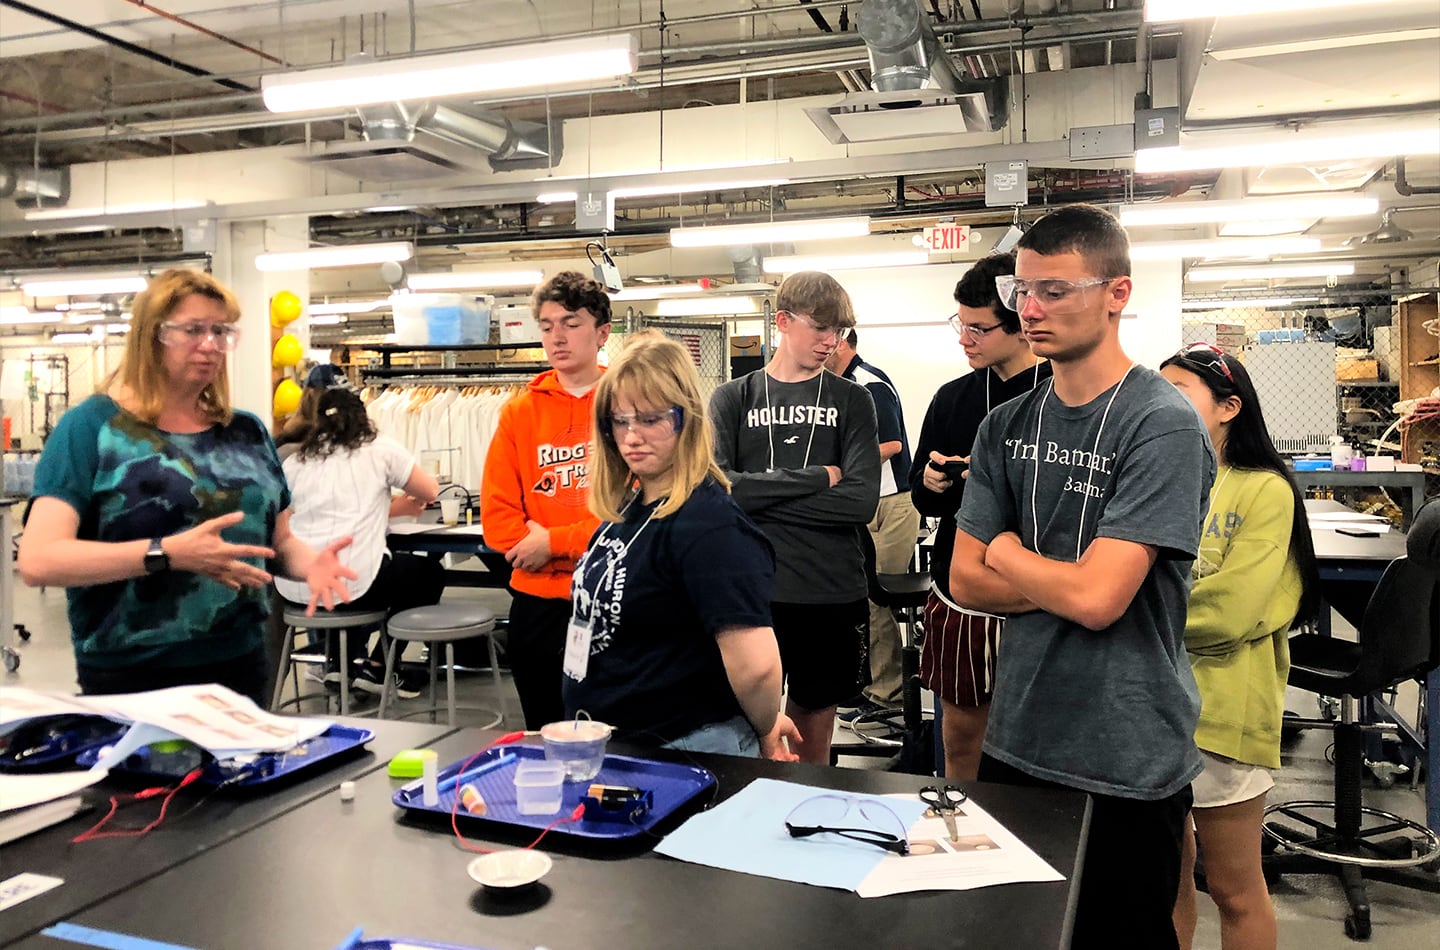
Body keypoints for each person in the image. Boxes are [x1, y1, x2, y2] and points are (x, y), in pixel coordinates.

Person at [950, 204, 1214, 949]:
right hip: (1021, 732)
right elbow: (963, 582)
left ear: (1117, 293)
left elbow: (1101, 602)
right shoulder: (1004, 426)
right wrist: (1050, 575)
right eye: (1022, 292)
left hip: (1127, 749)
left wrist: (1004, 548)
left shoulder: (1159, 422)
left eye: (1055, 290)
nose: (1030, 310)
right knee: (1024, 934)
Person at [17, 268, 356, 706]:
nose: (211, 345)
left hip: (243, 660)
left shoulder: (247, 432)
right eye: (193, 330)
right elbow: (40, 559)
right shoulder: (92, 428)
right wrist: (168, 554)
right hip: (133, 672)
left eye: (221, 331)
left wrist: (310, 565)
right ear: (151, 336)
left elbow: (279, 541)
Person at [565, 331, 801, 760]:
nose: (633, 436)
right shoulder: (636, 505)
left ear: (685, 419)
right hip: (628, 746)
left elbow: (758, 666)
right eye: (621, 420)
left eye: (652, 419)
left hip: (684, 751)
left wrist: (765, 726)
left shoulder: (709, 526)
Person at [1161, 343, 1321, 950]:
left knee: (1233, 888)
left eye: (1179, 392)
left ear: (1230, 407)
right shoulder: (1166, 476)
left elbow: (1231, 612)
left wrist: (1127, 610)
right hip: (1156, 706)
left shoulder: (1264, 490)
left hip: (1224, 710)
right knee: (1167, 887)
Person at [710, 271, 881, 765]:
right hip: (750, 591)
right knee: (747, 737)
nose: (832, 342)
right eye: (821, 328)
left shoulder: (853, 400)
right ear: (783, 321)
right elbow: (722, 493)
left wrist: (760, 494)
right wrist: (816, 477)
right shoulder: (733, 397)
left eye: (840, 332)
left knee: (812, 742)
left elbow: (859, 501)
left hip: (827, 590)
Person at [908, 251, 1051, 780]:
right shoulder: (952, 399)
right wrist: (932, 482)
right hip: (960, 592)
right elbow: (923, 500)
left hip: (1033, 593)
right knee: (960, 736)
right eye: (960, 325)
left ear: (1020, 326)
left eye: (978, 328)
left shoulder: (1059, 397)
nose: (964, 339)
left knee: (1036, 739)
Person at [481, 271, 609, 730]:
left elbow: (637, 517)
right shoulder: (518, 413)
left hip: (611, 599)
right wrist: (565, 544)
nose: (557, 336)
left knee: (616, 737)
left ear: (602, 332)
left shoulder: (624, 405)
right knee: (545, 733)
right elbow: (498, 521)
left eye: (571, 323)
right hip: (538, 605)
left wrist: (552, 543)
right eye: (547, 324)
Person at [276, 386, 447, 699]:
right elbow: (431, 490)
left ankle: (340, 665)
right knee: (426, 573)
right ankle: (380, 666)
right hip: (354, 587)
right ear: (363, 416)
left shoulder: (296, 459)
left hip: (296, 588)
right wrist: (406, 500)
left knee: (363, 566)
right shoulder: (379, 448)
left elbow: (331, 510)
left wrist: (394, 508)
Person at [825, 327, 921, 721]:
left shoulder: (868, 383)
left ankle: (889, 693)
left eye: (828, 339)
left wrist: (836, 468)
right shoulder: (838, 386)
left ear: (844, 341)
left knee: (879, 598)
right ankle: (871, 685)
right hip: (866, 505)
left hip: (893, 504)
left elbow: (892, 444)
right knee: (862, 599)